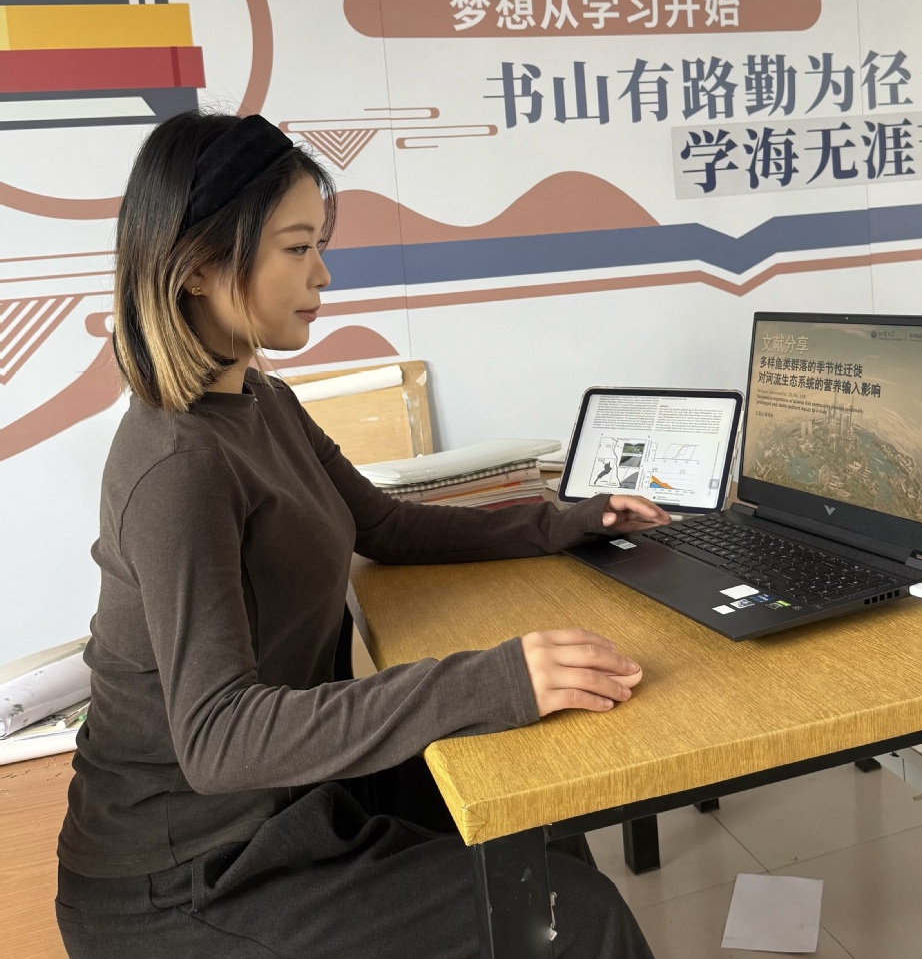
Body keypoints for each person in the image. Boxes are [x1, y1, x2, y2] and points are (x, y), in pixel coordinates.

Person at [55, 112, 669, 959]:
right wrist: (493, 679)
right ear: (196, 265)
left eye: (319, 245)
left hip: (288, 799)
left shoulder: (264, 403)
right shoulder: (178, 466)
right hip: (191, 875)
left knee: (530, 808)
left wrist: (562, 522)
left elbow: (383, 524)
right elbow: (219, 740)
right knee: (573, 914)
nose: (323, 273)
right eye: (297, 248)